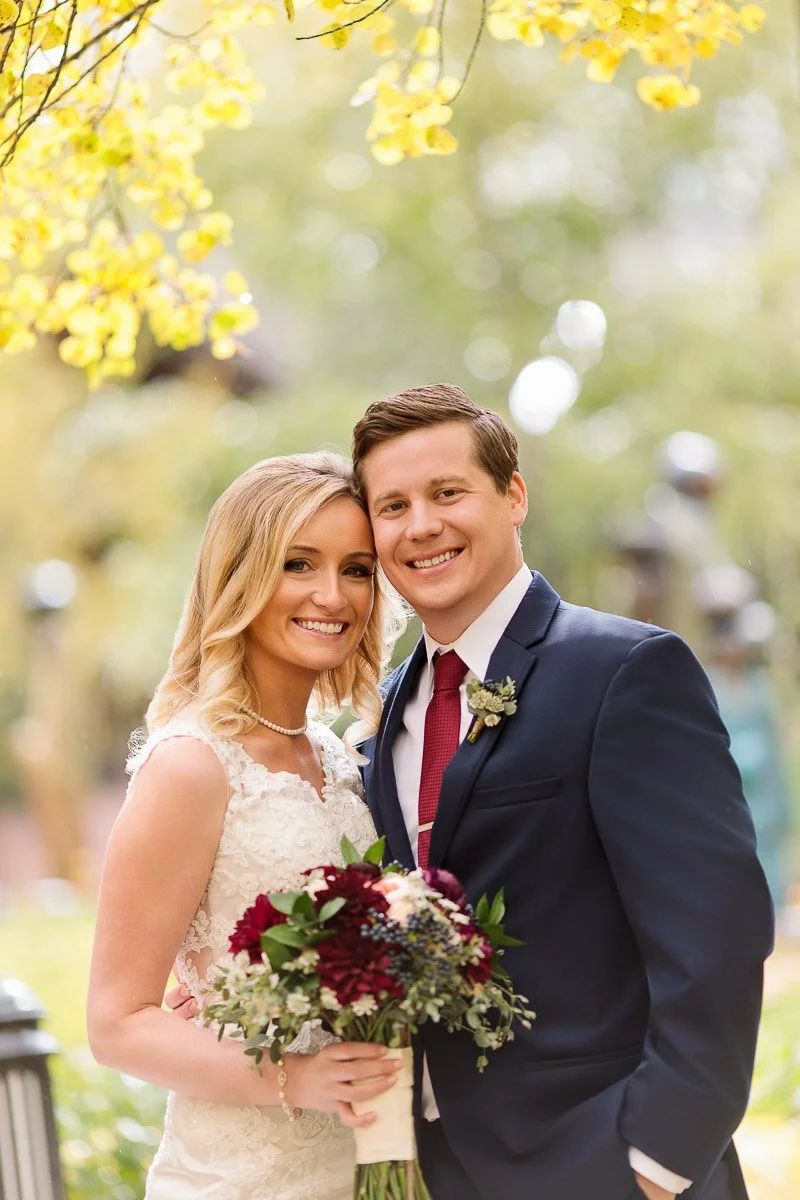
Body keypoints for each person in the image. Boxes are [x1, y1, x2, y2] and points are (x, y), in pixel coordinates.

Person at [349, 384, 774, 1200]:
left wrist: (657, 1163)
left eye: (447, 493)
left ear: (513, 495)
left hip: (610, 1164)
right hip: (444, 1172)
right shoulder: (383, 713)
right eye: (392, 505)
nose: (421, 525)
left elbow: (716, 939)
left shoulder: (626, 672)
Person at [87, 452, 406, 1200]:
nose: (333, 595)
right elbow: (118, 1023)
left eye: (357, 569)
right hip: (241, 1178)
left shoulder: (338, 758)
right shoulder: (192, 765)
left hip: (360, 1164)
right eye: (300, 564)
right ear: (242, 576)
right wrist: (295, 1076)